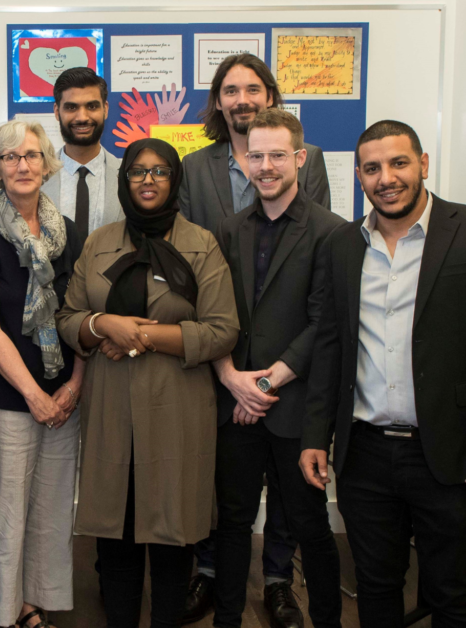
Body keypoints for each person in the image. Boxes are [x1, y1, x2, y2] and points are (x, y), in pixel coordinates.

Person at [56, 139, 239, 628]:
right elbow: (68, 317)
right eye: (138, 172)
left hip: (177, 406)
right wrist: (99, 326)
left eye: (160, 171)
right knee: (115, 534)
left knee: (172, 533)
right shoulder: (99, 242)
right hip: (111, 406)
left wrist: (140, 334)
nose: (148, 181)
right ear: (124, 180)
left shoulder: (202, 243)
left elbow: (223, 330)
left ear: (175, 180)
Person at [177, 52, 332, 624]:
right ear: (217, 101)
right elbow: (195, 273)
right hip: (227, 364)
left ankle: (277, 581)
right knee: (228, 495)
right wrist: (232, 373)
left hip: (290, 368)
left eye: (252, 89)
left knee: (291, 502)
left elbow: (318, 266)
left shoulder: (306, 165)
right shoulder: (196, 169)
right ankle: (214, 576)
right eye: (230, 90)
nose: (241, 99)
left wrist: (270, 376)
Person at [300, 120, 466, 626]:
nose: (386, 178)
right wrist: (315, 435)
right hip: (365, 452)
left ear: (423, 165)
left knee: (452, 591)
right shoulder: (343, 244)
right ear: (359, 175)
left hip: (447, 448)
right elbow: (330, 345)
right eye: (372, 168)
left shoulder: (461, 230)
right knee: (376, 586)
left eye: (398, 163)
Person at [212, 109, 344, 628]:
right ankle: (226, 619)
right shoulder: (228, 229)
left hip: (295, 409)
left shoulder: (332, 232)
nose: (266, 166)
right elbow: (217, 315)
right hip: (237, 406)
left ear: (300, 159)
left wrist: (265, 383)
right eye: (256, 155)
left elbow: (324, 322)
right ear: (245, 161)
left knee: (310, 525)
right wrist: (232, 379)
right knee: (232, 522)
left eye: (277, 155)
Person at [0, 121, 86, 628]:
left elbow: (80, 314)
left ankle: (38, 600)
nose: (22, 165)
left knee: (52, 510)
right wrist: (35, 394)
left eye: (32, 156)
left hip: (65, 396)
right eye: (10, 157)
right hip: (8, 397)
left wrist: (76, 384)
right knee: (7, 515)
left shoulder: (67, 232)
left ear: (46, 164)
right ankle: (5, 609)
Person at [40, 67, 124, 242]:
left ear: (105, 109)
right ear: (57, 111)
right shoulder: (37, 177)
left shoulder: (127, 175)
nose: (82, 117)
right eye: (71, 107)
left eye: (92, 106)